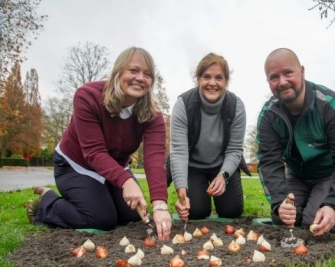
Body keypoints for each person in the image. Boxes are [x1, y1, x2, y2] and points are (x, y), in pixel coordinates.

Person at [27, 47, 172, 240]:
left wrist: (160, 205)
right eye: (133, 70)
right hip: (76, 165)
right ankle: (46, 204)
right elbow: (94, 152)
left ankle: (104, 197)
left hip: (116, 168)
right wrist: (127, 181)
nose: (140, 78)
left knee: (131, 215)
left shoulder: (152, 115)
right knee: (101, 220)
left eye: (147, 74)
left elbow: (154, 159)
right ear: (118, 72)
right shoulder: (88, 96)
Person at [256, 48, 335, 237]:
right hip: (297, 176)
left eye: (288, 73)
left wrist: (332, 204)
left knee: (313, 221)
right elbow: (268, 162)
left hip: (327, 175)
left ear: (302, 71)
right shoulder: (268, 115)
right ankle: (310, 203)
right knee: (282, 219)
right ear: (268, 82)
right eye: (274, 77)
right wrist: (279, 201)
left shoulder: (329, 105)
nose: (282, 82)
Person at [171, 53, 246, 221]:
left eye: (219, 78)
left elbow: (235, 149)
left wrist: (224, 175)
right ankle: (196, 198)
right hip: (193, 165)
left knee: (231, 211)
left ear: (226, 81)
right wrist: (182, 192)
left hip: (222, 165)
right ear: (198, 79)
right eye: (206, 77)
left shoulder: (236, 106)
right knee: (196, 211)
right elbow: (179, 151)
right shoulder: (183, 104)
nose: (212, 83)